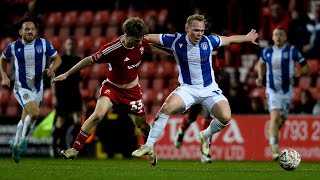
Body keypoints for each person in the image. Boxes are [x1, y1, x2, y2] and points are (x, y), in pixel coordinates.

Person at [132, 14, 258, 162]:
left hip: (209, 89)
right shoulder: (175, 40)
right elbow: (149, 38)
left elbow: (229, 39)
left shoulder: (208, 41)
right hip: (188, 89)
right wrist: (136, 37)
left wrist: (248, 38)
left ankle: (205, 136)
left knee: (225, 117)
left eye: (202, 30)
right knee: (166, 108)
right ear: (187, 29)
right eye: (196, 30)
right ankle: (148, 145)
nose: (199, 34)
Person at [52, 17, 165, 166]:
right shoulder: (112, 49)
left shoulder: (141, 41)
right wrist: (67, 74)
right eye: (136, 40)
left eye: (140, 39)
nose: (139, 42)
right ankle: (74, 149)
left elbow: (151, 47)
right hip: (112, 88)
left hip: (132, 92)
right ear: (126, 35)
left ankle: (150, 149)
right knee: (97, 115)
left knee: (142, 125)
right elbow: (89, 60)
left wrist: (177, 55)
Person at [0, 16, 62, 163]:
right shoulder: (13, 46)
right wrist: (4, 76)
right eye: (27, 29)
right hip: (21, 87)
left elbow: (58, 58)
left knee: (25, 117)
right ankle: (23, 140)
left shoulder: (44, 44)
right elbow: (2, 58)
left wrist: (52, 68)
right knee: (34, 113)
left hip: (38, 88)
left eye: (32, 29)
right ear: (20, 31)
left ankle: (15, 144)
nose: (30, 31)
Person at [255, 27, 310, 160]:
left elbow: (306, 67)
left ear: (285, 37)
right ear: (272, 37)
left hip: (287, 91)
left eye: (281, 35)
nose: (278, 37)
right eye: (275, 35)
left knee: (282, 119)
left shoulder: (292, 51)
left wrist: (300, 72)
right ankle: (274, 150)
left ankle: (272, 134)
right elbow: (260, 64)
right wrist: (260, 77)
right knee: (274, 117)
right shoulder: (267, 51)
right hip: (272, 90)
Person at [51, 38, 82, 157]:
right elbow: (52, 78)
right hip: (63, 94)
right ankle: (54, 147)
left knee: (78, 121)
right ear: (65, 45)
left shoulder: (78, 60)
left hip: (74, 93)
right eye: (69, 43)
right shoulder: (60, 59)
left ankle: (75, 148)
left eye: (74, 43)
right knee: (61, 121)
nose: (72, 45)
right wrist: (54, 96)